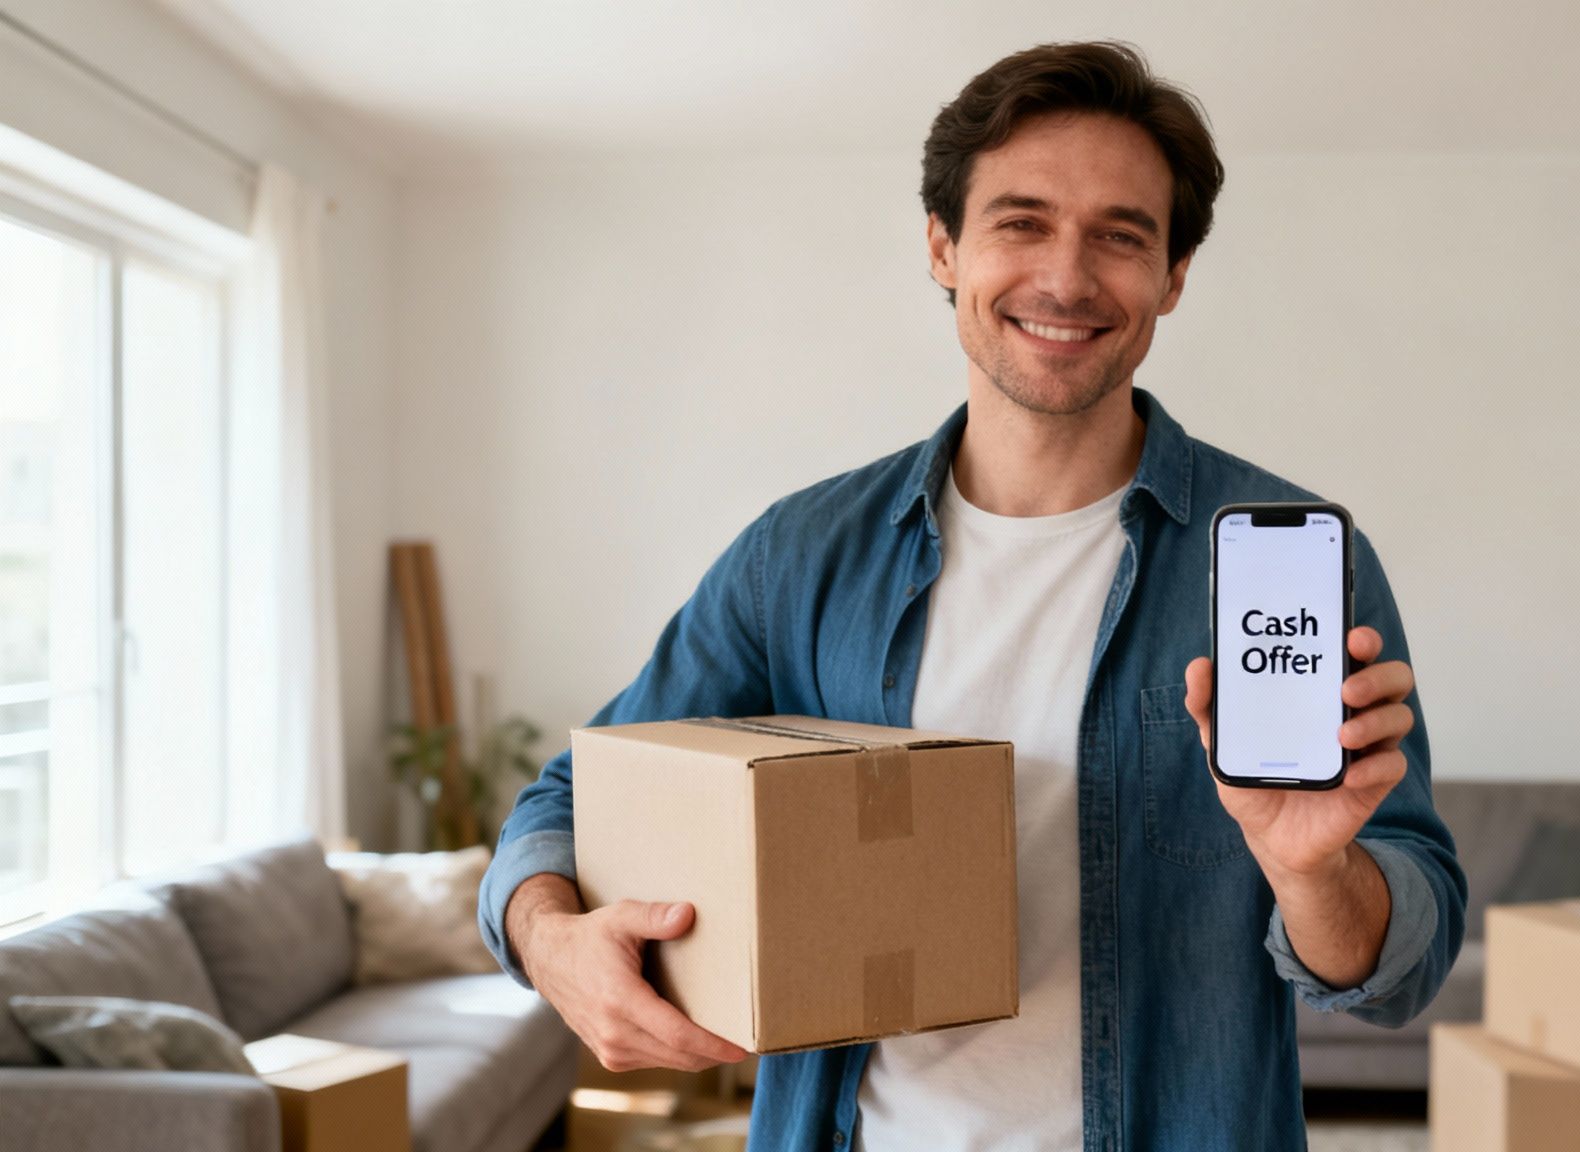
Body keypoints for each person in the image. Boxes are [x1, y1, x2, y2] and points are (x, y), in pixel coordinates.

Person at [479, 39, 1466, 1152]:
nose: (1065, 277)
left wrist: (1310, 870)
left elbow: (1397, 973)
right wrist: (551, 941)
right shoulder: (797, 557)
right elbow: (568, 801)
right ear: (943, 246)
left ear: (1173, 278)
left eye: (1121, 236)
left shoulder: (1288, 564)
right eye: (1020, 221)